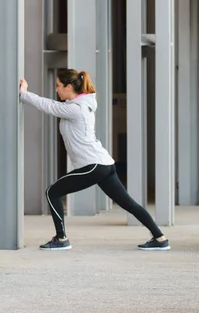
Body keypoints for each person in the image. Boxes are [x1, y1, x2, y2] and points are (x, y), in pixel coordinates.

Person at [19, 69, 170, 251]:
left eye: (58, 85)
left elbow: (49, 106)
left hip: (93, 165)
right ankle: (160, 238)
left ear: (69, 86)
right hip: (103, 164)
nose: (56, 89)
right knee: (128, 203)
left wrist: (24, 94)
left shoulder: (76, 108)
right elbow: (54, 105)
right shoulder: (77, 105)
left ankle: (61, 238)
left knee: (52, 192)